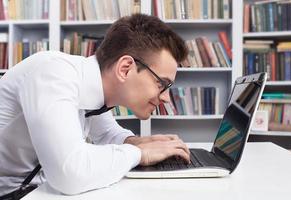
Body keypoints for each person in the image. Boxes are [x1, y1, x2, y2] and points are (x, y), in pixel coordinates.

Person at [0, 13, 189, 197]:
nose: (166, 98)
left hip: (33, 190)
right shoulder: (54, 75)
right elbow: (69, 174)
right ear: (125, 69)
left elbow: (107, 134)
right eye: (162, 84)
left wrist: (137, 142)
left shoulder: (94, 87)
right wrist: (140, 153)